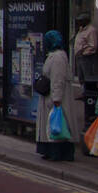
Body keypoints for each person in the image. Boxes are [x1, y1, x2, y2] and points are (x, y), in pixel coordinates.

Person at [36, 29, 83, 161]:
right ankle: (51, 151)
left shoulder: (57, 58)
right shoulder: (55, 56)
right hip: (51, 96)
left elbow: (57, 80)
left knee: (57, 126)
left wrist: (56, 99)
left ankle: (58, 153)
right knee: (54, 125)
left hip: (55, 98)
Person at [73, 13, 98, 83]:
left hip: (87, 57)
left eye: (81, 21)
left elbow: (93, 45)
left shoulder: (91, 30)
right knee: (80, 77)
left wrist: (83, 52)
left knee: (88, 77)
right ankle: (83, 90)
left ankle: (88, 91)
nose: (79, 22)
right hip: (79, 56)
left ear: (86, 21)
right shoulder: (81, 30)